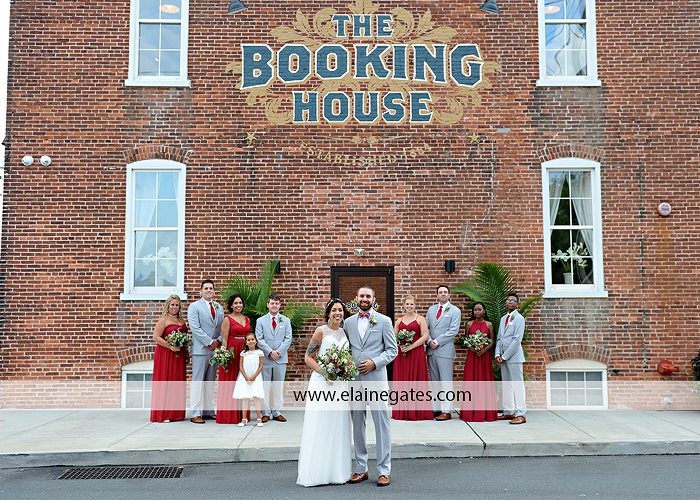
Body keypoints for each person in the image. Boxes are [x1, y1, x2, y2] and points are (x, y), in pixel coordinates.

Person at [345, 286, 398, 487]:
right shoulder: (348, 322)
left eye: (368, 296)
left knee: (381, 425)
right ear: (356, 298)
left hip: (376, 380)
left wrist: (375, 363)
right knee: (358, 426)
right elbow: (346, 349)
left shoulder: (384, 321)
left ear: (374, 299)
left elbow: (392, 350)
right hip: (355, 382)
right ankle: (361, 469)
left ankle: (384, 471)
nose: (365, 299)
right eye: (362, 296)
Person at [296, 298, 352, 487]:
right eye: (334, 310)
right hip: (323, 382)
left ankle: (336, 472)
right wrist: (325, 372)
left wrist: (344, 370)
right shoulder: (321, 331)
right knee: (321, 423)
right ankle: (316, 473)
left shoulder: (344, 332)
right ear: (328, 313)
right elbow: (308, 357)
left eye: (340, 310)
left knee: (337, 424)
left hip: (340, 385)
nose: (338, 313)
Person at [391, 295, 432, 421]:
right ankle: (402, 411)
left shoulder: (420, 319)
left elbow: (425, 336)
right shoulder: (399, 320)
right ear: (404, 305)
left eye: (411, 304)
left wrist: (411, 347)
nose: (409, 306)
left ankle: (417, 411)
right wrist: (401, 346)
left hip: (416, 353)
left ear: (415, 305)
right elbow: (394, 336)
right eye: (407, 304)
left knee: (416, 379)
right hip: (402, 354)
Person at [188, 279, 223, 424]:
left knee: (210, 382)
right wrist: (209, 342)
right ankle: (195, 413)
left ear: (214, 290)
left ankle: (208, 411)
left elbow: (222, 327)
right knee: (198, 382)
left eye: (211, 288)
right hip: (201, 350)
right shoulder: (194, 306)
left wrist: (218, 341)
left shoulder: (219, 307)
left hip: (214, 350)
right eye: (206, 288)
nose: (209, 290)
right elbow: (195, 328)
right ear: (201, 291)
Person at [150, 294, 189, 423]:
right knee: (166, 380)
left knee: (177, 381)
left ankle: (176, 414)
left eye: (177, 305)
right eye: (172, 305)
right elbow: (156, 337)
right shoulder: (164, 320)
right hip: (166, 354)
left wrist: (186, 353)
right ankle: (164, 414)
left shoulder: (182, 321)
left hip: (179, 354)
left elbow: (185, 338)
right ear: (168, 306)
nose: (174, 307)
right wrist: (170, 346)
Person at [426, 285, 462, 420]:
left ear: (449, 295)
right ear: (437, 295)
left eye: (445, 292)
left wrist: (437, 341)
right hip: (431, 350)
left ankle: (446, 410)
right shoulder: (431, 310)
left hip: (445, 350)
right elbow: (426, 327)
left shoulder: (455, 311)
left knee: (446, 381)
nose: (443, 294)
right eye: (440, 292)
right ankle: (436, 408)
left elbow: (453, 330)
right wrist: (429, 340)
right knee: (434, 381)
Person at [256, 294, 293, 423]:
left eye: (276, 303)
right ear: (268, 305)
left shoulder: (286, 321)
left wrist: (278, 353)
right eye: (272, 303)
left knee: (278, 386)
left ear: (280, 305)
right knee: (265, 386)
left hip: (280, 359)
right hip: (266, 359)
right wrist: (270, 352)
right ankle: (265, 412)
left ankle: (277, 412)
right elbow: (259, 339)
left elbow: (288, 339)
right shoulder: (260, 321)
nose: (274, 305)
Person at [459, 302, 498, 422]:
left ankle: (485, 413)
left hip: (484, 356)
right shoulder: (469, 324)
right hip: (472, 355)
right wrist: (472, 348)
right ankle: (469, 413)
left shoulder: (489, 324)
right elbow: (466, 339)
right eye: (475, 310)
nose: (477, 312)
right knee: (471, 380)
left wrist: (484, 350)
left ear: (484, 311)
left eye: (479, 310)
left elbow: (492, 340)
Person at [216, 293, 250, 424]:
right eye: (235, 303)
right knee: (231, 382)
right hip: (232, 352)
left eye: (240, 303)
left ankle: (242, 415)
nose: (238, 305)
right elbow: (224, 340)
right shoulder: (227, 319)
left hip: (244, 352)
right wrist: (223, 358)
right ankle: (229, 416)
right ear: (231, 305)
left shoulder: (247, 319)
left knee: (243, 382)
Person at [495, 293, 527, 424]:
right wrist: (497, 354)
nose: (510, 302)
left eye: (513, 301)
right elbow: (499, 338)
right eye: (508, 300)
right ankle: (508, 411)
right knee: (507, 384)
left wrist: (504, 356)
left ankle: (521, 414)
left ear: (517, 303)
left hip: (514, 357)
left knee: (517, 385)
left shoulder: (519, 318)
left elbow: (517, 340)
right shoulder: (503, 318)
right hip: (502, 356)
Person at [232, 332, 265, 427]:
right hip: (245, 378)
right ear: (246, 342)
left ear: (256, 341)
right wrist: (246, 377)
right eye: (248, 340)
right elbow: (241, 366)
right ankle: (244, 419)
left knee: (256, 397)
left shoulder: (259, 352)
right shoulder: (243, 353)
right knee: (245, 397)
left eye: (252, 339)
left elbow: (261, 366)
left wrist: (254, 377)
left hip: (256, 377)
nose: (251, 341)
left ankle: (259, 418)